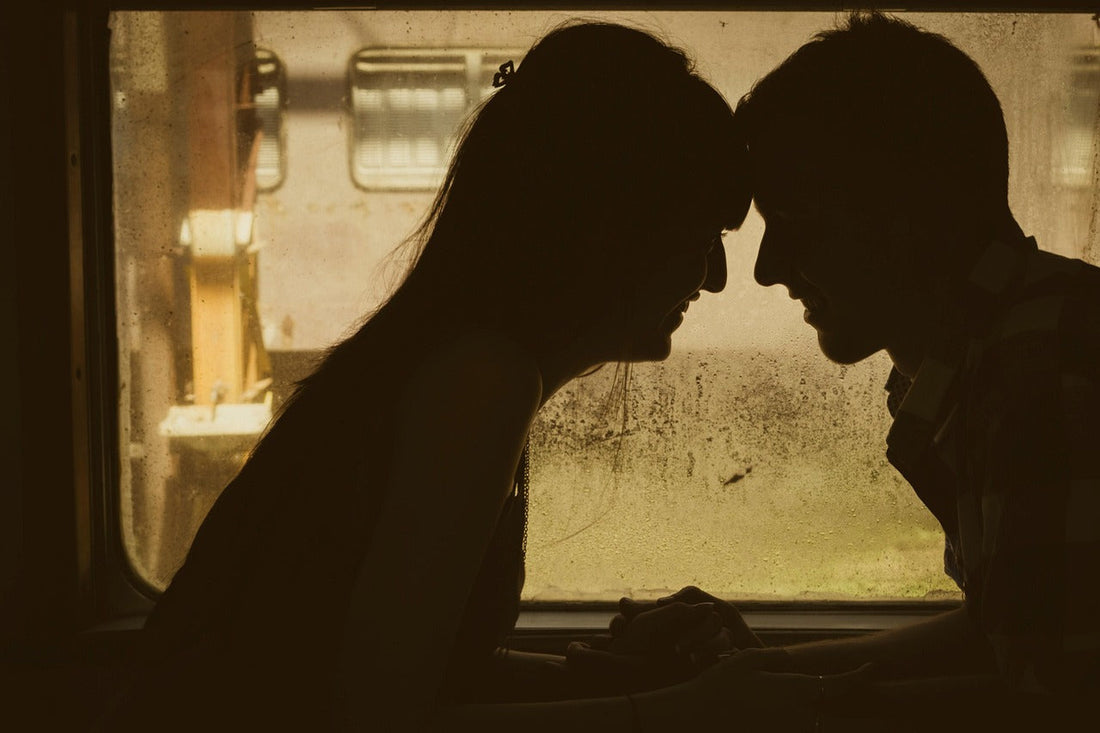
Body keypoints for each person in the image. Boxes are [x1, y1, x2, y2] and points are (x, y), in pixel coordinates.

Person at [96, 20, 777, 733]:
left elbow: (398, 667)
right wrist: (684, 712)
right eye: (700, 239)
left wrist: (600, 673)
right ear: (612, 229)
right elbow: (375, 714)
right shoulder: (482, 381)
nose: (717, 279)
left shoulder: (455, 358)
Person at [604, 11, 1100, 728]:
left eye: (799, 222)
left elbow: (1059, 703)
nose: (770, 269)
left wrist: (762, 708)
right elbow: (1010, 633)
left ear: (909, 214)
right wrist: (771, 669)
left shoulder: (1038, 375)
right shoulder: (1003, 346)